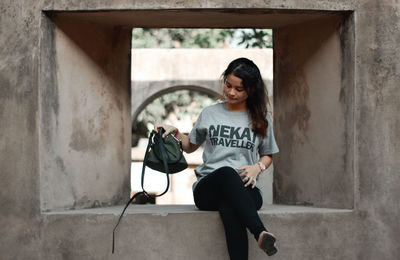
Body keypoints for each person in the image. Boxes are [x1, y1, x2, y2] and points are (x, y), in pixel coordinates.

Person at [154, 58, 279, 259]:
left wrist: (258, 168)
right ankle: (259, 232)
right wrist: (175, 132)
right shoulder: (210, 113)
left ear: (251, 90)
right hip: (208, 189)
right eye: (228, 85)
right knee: (227, 173)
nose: (231, 92)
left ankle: (259, 237)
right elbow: (190, 146)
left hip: (246, 190)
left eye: (239, 89)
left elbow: (268, 155)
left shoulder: (261, 118)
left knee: (229, 207)